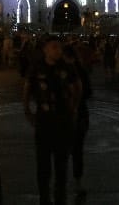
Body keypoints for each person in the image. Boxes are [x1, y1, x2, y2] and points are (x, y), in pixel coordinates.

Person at [23, 35, 80, 205]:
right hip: (44, 121)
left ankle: (60, 198)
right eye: (54, 47)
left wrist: (73, 107)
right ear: (45, 49)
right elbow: (27, 88)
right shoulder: (37, 68)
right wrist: (27, 110)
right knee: (43, 165)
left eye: (59, 47)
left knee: (61, 164)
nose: (58, 50)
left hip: (63, 121)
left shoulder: (67, 67)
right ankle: (44, 198)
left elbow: (77, 87)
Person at [62, 43, 92, 197]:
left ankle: (62, 182)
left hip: (66, 116)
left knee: (63, 151)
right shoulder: (80, 70)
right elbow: (88, 92)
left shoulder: (61, 71)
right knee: (77, 150)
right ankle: (77, 181)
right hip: (80, 115)